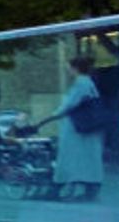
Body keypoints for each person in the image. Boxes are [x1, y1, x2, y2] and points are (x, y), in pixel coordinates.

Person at [35, 55, 105, 200]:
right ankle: (90, 187)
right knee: (88, 158)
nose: (67, 70)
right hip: (87, 128)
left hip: (76, 129)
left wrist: (48, 118)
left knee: (68, 157)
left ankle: (56, 188)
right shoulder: (89, 83)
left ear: (75, 68)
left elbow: (68, 105)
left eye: (69, 67)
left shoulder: (81, 83)